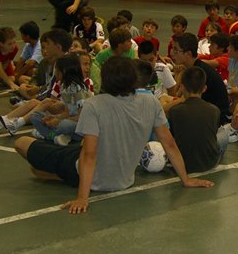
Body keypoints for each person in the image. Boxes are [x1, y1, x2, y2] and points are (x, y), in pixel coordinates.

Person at [13, 56, 214, 214]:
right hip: (124, 179)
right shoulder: (151, 102)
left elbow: (89, 154)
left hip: (90, 174)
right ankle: (59, 173)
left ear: (105, 79)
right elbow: (169, 144)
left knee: (22, 143)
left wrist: (82, 198)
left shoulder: (94, 105)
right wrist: (185, 179)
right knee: (40, 169)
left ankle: (62, 174)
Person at [167, 66, 228, 172]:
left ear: (182, 87)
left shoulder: (174, 110)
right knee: (223, 133)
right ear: (204, 88)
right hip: (209, 163)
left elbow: (173, 136)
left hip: (180, 163)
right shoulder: (214, 110)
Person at [27, 54, 93, 145]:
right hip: (71, 121)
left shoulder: (78, 89)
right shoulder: (64, 87)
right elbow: (67, 112)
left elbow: (82, 117)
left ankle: (50, 134)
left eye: (57, 69)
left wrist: (58, 121)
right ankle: (55, 136)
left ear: (64, 71)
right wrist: (55, 117)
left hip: (83, 127)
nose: (55, 72)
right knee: (35, 116)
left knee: (64, 125)